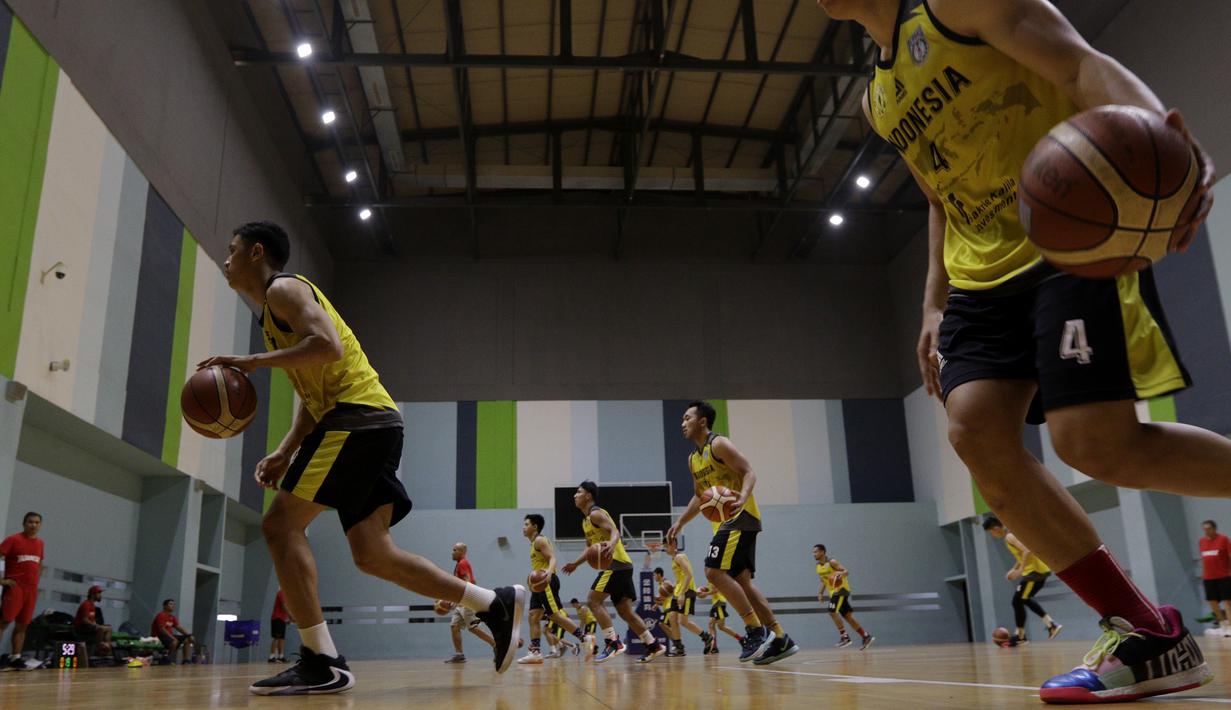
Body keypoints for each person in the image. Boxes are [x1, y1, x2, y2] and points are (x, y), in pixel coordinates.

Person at [815, 0, 1217, 701]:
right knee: (974, 432)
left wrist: (1167, 149)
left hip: (1067, 242)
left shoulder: (956, 6)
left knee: (1096, 448)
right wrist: (932, 302)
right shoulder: (878, 99)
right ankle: (1147, 633)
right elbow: (939, 198)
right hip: (977, 278)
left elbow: (1080, 66)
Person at [201, 221, 523, 694]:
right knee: (373, 554)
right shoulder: (270, 317)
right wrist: (285, 451)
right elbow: (313, 392)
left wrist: (253, 362)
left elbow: (327, 346)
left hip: (357, 420)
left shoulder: (283, 290)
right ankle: (493, 603)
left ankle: (321, 659)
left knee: (280, 527)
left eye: (232, 251)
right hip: (370, 422)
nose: (226, 260)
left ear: (256, 252)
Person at [668, 401, 798, 665]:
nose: (683, 423)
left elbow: (749, 472)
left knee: (713, 572)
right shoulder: (693, 459)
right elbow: (700, 497)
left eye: (687, 418)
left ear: (702, 421)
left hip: (741, 517)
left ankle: (755, 631)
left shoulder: (719, 444)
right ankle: (780, 637)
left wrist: (744, 496)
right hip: (727, 524)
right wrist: (680, 521)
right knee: (742, 581)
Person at [561, 481, 665, 663]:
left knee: (593, 601)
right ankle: (653, 645)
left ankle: (613, 643)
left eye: (579, 492)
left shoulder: (596, 513)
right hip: (623, 566)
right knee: (626, 612)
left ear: (588, 496)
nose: (575, 495)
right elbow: (590, 548)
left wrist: (611, 542)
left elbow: (614, 530)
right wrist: (575, 563)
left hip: (616, 564)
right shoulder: (585, 522)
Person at [518, 515, 593, 664]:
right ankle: (535, 652)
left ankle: (584, 638)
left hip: (546, 582)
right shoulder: (533, 543)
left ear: (535, 526)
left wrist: (548, 573)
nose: (523, 527)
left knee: (555, 616)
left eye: (526, 524)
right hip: (539, 585)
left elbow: (552, 558)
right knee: (533, 616)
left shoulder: (540, 540)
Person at [982, 518, 1062, 645]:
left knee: (1020, 600)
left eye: (991, 532)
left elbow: (1027, 551)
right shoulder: (1011, 534)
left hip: (1035, 572)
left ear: (996, 529)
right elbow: (1021, 555)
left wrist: (1019, 571)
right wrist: (1013, 569)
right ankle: (1025, 634)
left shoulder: (1009, 536)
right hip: (1036, 572)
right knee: (1019, 601)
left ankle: (1046, 626)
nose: (993, 535)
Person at [0, 512, 44, 668]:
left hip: (31, 590)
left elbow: (39, 563)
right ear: (24, 523)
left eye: (37, 522)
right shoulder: (13, 540)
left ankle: (15, 657)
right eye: (30, 522)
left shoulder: (40, 543)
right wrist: (1, 580)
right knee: (4, 621)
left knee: (23, 625)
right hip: (15, 587)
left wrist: (36, 580)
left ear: (40, 525)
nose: (33, 525)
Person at [812, 545, 874, 650]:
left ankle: (845, 637)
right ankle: (866, 636)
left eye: (816, 552)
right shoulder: (818, 566)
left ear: (822, 552)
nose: (814, 554)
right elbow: (823, 581)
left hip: (841, 590)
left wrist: (839, 575)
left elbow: (846, 571)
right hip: (833, 592)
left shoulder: (832, 562)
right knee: (847, 616)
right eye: (813, 552)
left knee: (832, 611)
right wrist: (820, 593)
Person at [444, 542, 495, 664]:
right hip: (461, 602)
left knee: (473, 628)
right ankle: (459, 655)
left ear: (462, 552)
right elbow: (473, 581)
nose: (452, 552)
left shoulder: (463, 563)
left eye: (455, 550)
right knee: (454, 626)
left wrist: (466, 598)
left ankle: (496, 645)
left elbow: (468, 582)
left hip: (466, 601)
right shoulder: (460, 564)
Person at [663, 537, 712, 656]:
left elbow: (689, 575)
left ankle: (706, 637)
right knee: (672, 618)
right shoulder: (675, 558)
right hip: (678, 592)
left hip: (685, 593)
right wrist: (675, 587)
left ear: (673, 545)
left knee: (683, 621)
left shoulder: (680, 557)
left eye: (666, 546)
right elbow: (682, 577)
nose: (664, 549)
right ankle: (679, 648)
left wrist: (682, 593)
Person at [1199, 520, 1231, 637]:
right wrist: (1203, 573)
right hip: (1208, 577)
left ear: (1214, 528)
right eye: (1204, 529)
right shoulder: (1202, 541)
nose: (1206, 531)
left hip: (1224, 576)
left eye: (1208, 529)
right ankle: (1223, 624)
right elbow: (1204, 559)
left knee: (1227, 601)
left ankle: (1230, 626)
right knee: (1212, 602)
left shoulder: (1223, 539)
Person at [696, 585, 742, 654]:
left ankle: (741, 639)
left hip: (719, 603)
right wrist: (702, 592)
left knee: (717, 626)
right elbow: (710, 590)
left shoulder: (712, 579)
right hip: (717, 604)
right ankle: (714, 647)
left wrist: (705, 593)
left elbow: (715, 590)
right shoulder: (709, 582)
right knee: (715, 625)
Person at [152, 599, 194, 664]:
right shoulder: (161, 615)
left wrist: (189, 635)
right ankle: (167, 659)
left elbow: (179, 628)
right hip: (159, 636)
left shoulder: (172, 617)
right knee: (174, 641)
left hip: (168, 636)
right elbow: (162, 629)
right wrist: (172, 638)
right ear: (165, 606)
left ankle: (185, 660)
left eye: (173, 604)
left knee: (187, 639)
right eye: (171, 604)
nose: (173, 606)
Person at [74, 585, 113, 656]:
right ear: (92, 595)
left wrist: (97, 625)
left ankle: (107, 647)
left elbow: (92, 620)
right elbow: (85, 620)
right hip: (81, 628)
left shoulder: (92, 605)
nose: (100, 595)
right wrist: (96, 626)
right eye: (99, 593)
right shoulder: (86, 604)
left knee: (109, 628)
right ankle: (98, 649)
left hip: (88, 627)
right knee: (100, 629)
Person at [269, 588, 292, 663]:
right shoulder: (281, 593)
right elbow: (284, 606)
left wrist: (287, 619)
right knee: (276, 637)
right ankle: (271, 657)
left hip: (282, 619)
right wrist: (290, 616)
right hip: (277, 618)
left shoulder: (287, 595)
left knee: (282, 638)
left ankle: (280, 657)